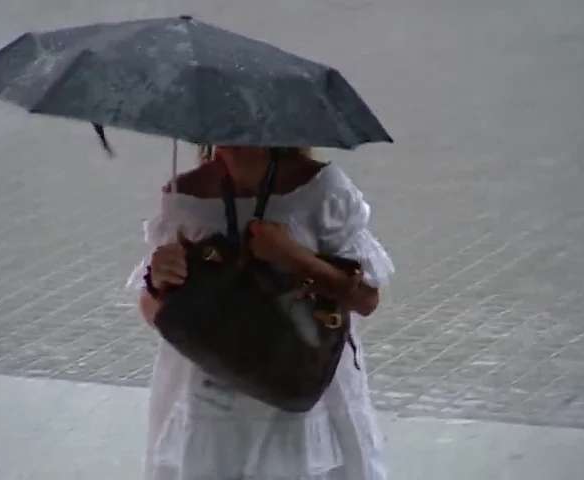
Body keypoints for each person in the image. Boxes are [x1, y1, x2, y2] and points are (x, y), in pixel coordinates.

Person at [129, 145, 395, 480]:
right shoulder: (185, 196)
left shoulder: (321, 189)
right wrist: (159, 280)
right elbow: (154, 311)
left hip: (303, 385)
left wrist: (293, 257)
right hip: (212, 400)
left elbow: (367, 299)